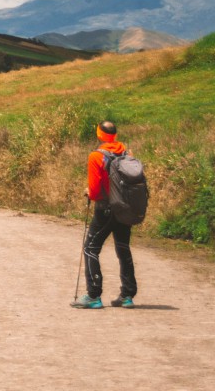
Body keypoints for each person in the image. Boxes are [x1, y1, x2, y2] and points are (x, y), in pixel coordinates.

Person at [71, 120, 137, 309]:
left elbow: (94, 189)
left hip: (105, 209)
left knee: (91, 248)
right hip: (125, 208)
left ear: (100, 134)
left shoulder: (95, 156)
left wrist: (88, 192)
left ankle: (93, 295)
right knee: (123, 248)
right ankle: (127, 296)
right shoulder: (127, 153)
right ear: (114, 135)